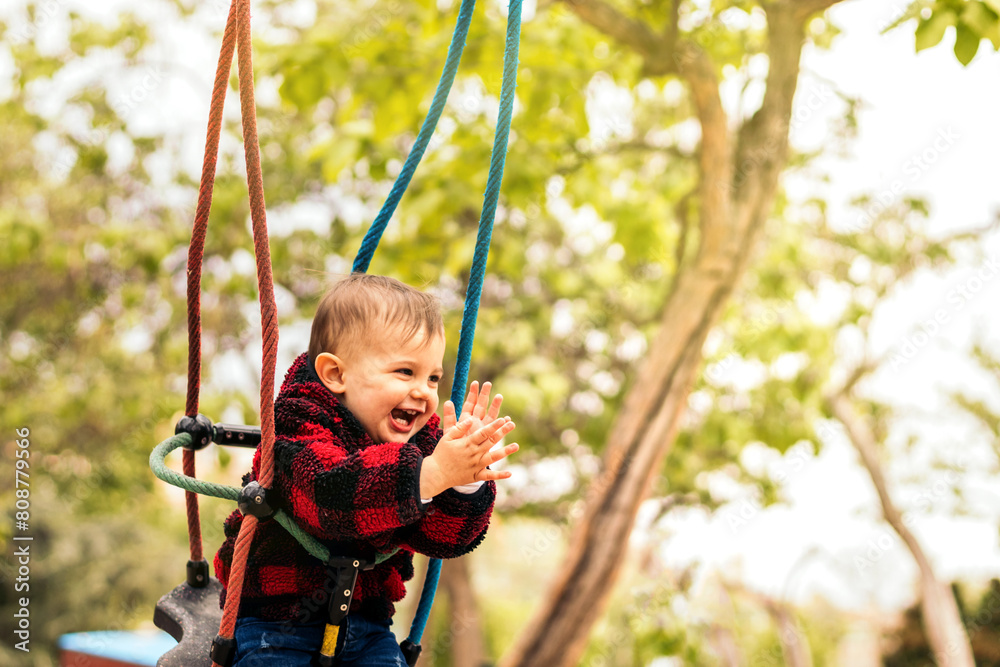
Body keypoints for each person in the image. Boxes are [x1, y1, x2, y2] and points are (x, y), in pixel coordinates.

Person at [214, 274, 519, 666]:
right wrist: (430, 475)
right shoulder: (296, 423)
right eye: (405, 372)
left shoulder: (422, 443)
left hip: (366, 627)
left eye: (433, 378)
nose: (424, 391)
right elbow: (332, 497)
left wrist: (464, 482)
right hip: (275, 622)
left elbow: (445, 538)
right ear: (337, 375)